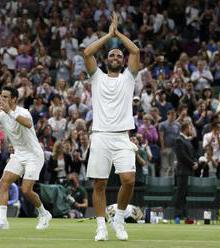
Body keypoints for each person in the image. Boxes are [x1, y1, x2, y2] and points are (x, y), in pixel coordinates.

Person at [83, 12, 140, 241]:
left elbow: (135, 51)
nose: (116, 56)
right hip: (100, 136)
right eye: (112, 55)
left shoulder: (129, 77)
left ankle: (118, 219)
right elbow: (87, 52)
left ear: (122, 61)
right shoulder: (96, 77)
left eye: (119, 55)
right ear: (107, 60)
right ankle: (101, 227)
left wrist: (118, 34)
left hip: (122, 137)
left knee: (129, 179)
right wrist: (108, 36)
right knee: (100, 183)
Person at [0, 86, 52, 230]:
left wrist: (9, 111)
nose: (1, 99)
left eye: (5, 97)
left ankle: (44, 213)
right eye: (1, 96)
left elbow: (28, 124)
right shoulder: (2, 116)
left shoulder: (24, 112)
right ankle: (2, 220)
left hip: (34, 155)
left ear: (14, 99)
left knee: (26, 190)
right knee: (4, 183)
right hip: (18, 154)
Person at [174, 121, 198, 218]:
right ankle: (178, 214)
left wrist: (196, 161)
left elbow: (191, 154)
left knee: (184, 194)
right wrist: (192, 163)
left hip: (188, 171)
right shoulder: (179, 140)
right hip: (183, 171)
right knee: (181, 193)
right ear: (186, 129)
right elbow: (182, 156)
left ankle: (183, 214)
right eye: (190, 128)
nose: (191, 130)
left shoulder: (186, 140)